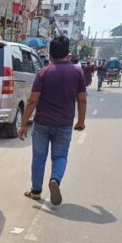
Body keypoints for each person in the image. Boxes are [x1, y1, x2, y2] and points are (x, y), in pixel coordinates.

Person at [18, 35, 87, 206]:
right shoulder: (77, 72)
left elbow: (32, 100)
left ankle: (35, 192)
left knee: (39, 157)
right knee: (60, 156)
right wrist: (81, 121)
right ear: (68, 53)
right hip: (64, 123)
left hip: (42, 122)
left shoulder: (44, 72)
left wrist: (23, 124)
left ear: (50, 54)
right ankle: (55, 179)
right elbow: (82, 99)